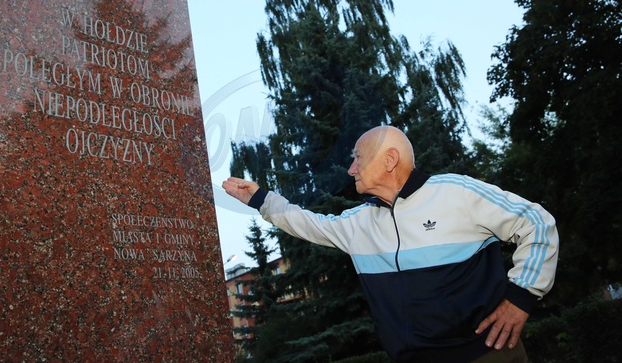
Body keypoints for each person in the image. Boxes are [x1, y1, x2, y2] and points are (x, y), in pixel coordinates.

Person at [222, 125, 558, 363]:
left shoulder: (457, 192)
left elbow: (537, 222)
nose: (351, 169)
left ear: (389, 159)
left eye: (358, 158)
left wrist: (521, 297)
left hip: (486, 355)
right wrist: (261, 199)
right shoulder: (359, 223)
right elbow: (308, 224)